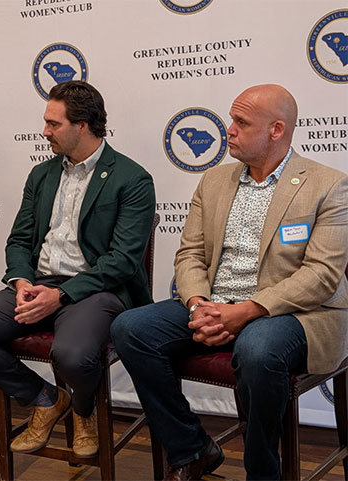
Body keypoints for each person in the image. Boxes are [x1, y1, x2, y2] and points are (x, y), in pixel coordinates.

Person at [111, 84, 348, 481]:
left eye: (241, 122)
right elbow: (189, 255)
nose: (229, 129)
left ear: (276, 130)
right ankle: (192, 449)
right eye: (231, 119)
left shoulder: (328, 185)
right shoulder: (214, 181)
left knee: (258, 349)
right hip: (215, 303)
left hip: (296, 313)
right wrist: (198, 305)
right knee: (130, 328)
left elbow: (321, 276)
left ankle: (261, 469)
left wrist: (246, 311)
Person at [0, 81, 156, 457]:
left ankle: (83, 411)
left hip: (95, 291)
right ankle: (45, 398)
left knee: (72, 355)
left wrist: (60, 296)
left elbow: (122, 260)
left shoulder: (131, 178)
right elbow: (20, 240)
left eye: (53, 124)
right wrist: (23, 281)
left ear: (83, 125)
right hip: (37, 282)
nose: (45, 132)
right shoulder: (41, 176)